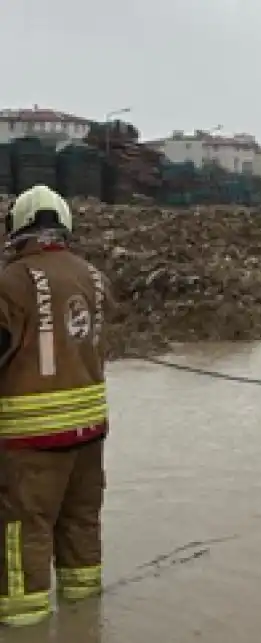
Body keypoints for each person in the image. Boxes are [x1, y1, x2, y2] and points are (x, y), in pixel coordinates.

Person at [0, 185, 113, 627]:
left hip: (30, 439)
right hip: (90, 433)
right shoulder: (95, 277)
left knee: (22, 531)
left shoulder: (11, 281)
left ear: (18, 229)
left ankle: (22, 626)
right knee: (81, 524)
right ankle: (85, 621)